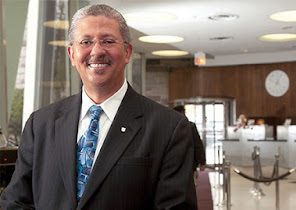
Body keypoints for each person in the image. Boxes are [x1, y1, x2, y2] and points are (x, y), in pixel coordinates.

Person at [1, 4, 197, 209]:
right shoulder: (39, 124)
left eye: (108, 41)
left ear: (127, 52)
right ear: (72, 55)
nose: (97, 51)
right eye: (86, 42)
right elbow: (15, 202)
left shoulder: (169, 128)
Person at [173, 105, 206, 185]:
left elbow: (197, 144)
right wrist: (202, 161)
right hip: (189, 162)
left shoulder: (169, 126)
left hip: (174, 162)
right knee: (190, 186)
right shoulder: (190, 126)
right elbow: (197, 144)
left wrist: (202, 161)